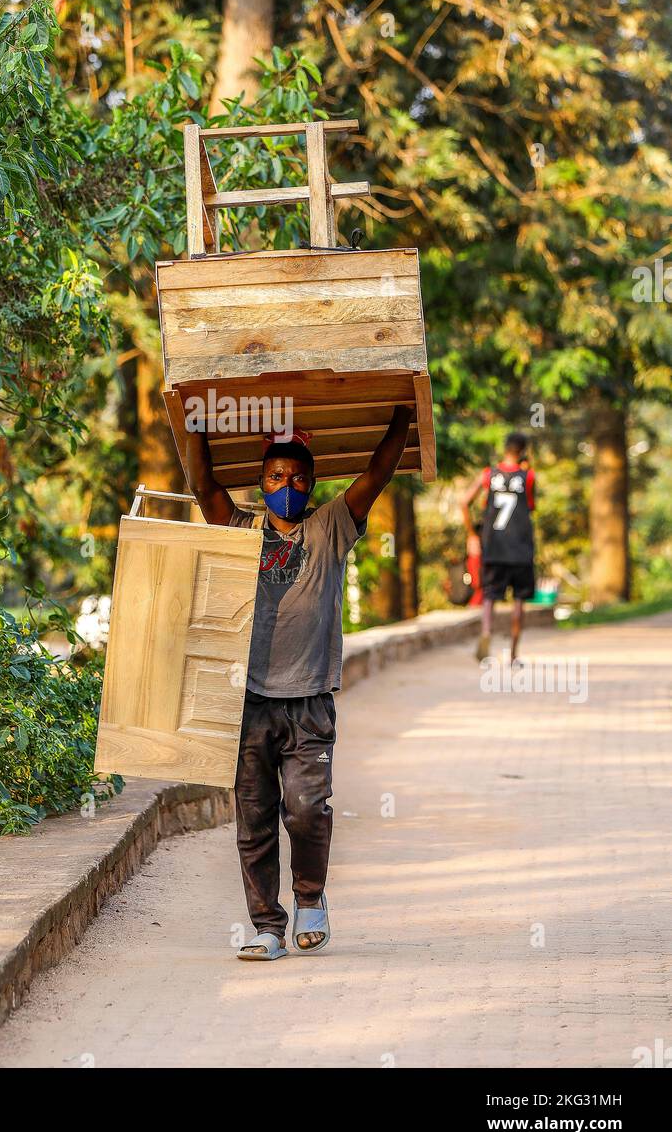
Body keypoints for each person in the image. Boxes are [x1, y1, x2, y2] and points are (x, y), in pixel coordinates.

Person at [186, 407, 412, 962]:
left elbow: (378, 474)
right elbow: (201, 482)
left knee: (308, 810)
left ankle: (311, 900)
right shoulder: (239, 529)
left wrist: (405, 412)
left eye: (296, 477)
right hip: (249, 704)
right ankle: (267, 927)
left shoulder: (331, 526)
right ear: (260, 482)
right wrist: (189, 412)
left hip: (309, 700)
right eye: (275, 477)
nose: (286, 487)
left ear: (311, 482)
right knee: (254, 820)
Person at [461, 431, 537, 664]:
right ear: (523, 451)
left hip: (493, 547)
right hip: (521, 550)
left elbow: (463, 502)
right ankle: (513, 654)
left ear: (505, 449)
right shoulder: (529, 477)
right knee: (518, 601)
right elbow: (531, 507)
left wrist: (472, 534)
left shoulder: (488, 475)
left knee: (490, 597)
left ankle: (485, 637)